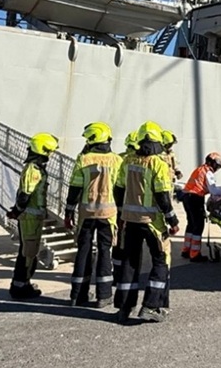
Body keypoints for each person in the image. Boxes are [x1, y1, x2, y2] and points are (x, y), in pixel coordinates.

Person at [114, 120, 180, 324]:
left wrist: (120, 213)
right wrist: (172, 219)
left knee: (129, 262)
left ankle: (124, 307)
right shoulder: (158, 164)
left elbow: (118, 189)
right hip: (153, 222)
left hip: (130, 221)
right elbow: (162, 195)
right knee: (160, 261)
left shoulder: (128, 162)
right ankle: (151, 306)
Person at [65, 122, 123, 308]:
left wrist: (68, 211)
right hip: (109, 214)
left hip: (86, 213)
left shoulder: (83, 159)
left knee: (84, 251)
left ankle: (77, 295)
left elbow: (74, 187)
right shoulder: (117, 161)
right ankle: (104, 296)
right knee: (105, 252)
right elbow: (122, 189)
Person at [6, 132, 59, 300]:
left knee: (29, 252)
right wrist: (18, 210)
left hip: (32, 217)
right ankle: (20, 288)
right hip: (30, 218)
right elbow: (25, 195)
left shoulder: (35, 168)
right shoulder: (33, 170)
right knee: (27, 253)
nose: (50, 155)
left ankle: (23, 283)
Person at [180, 152, 221, 261]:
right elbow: (213, 190)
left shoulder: (199, 169)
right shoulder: (208, 172)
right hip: (195, 198)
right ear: (212, 163)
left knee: (191, 224)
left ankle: (186, 250)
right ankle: (195, 254)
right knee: (198, 225)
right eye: (217, 166)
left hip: (187, 197)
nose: (217, 168)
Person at [112, 130, 140, 310]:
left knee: (119, 243)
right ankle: (121, 276)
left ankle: (117, 274)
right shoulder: (140, 161)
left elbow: (117, 185)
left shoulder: (120, 159)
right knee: (128, 248)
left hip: (120, 208)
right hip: (135, 211)